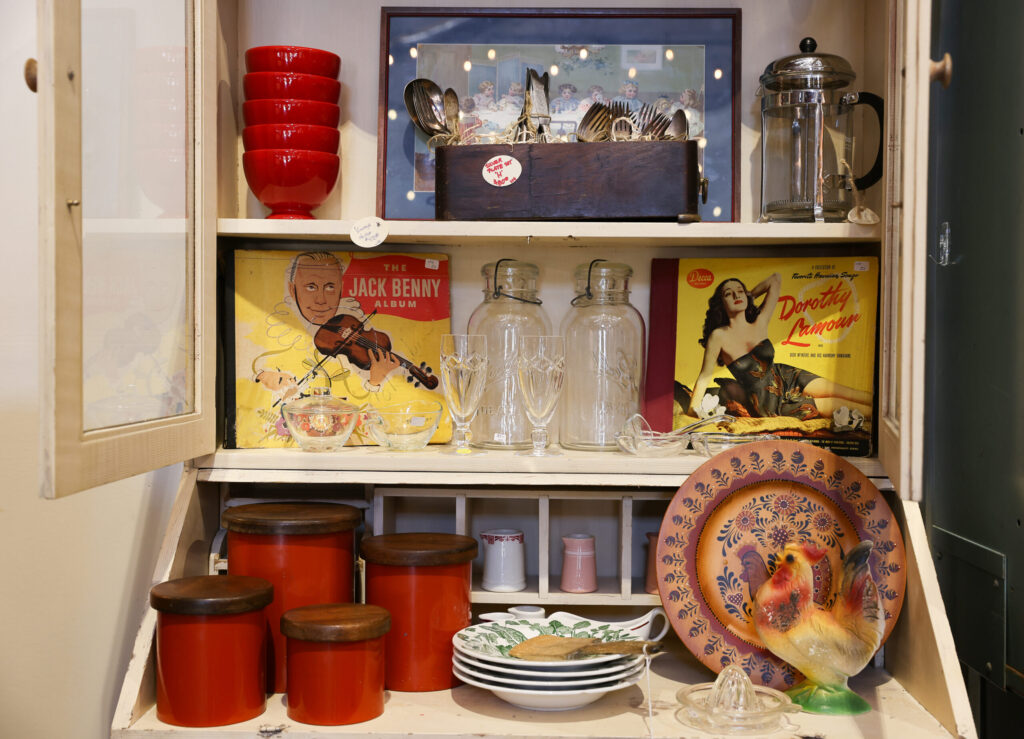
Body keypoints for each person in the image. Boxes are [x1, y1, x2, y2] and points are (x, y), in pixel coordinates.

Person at [688, 273, 873, 420]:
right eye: (729, 294)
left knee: (850, 393)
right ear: (722, 303)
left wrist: (749, 296)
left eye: (739, 291)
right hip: (769, 403)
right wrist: (691, 413)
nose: (736, 295)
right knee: (838, 403)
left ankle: (893, 412)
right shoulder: (719, 336)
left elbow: (775, 279)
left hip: (787, 376)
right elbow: (704, 377)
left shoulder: (760, 322)